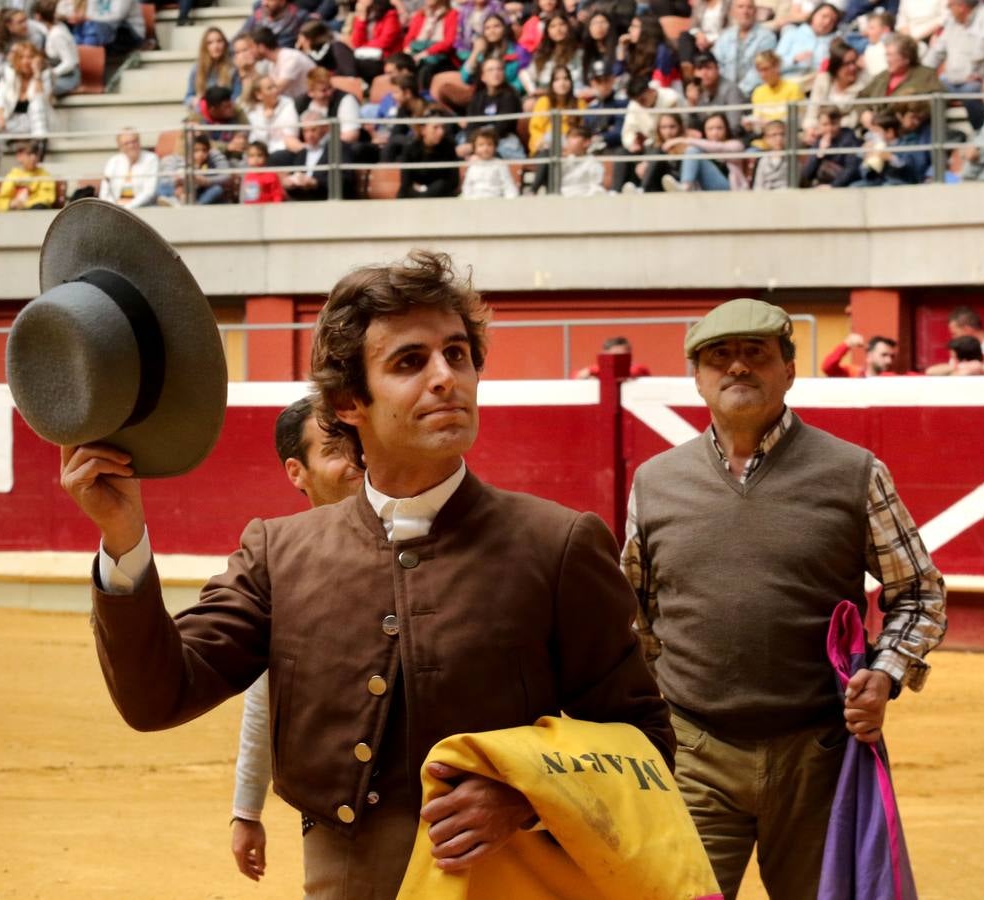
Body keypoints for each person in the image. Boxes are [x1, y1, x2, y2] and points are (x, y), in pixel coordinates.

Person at [63, 248, 674, 899]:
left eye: (458, 354)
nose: (446, 377)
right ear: (350, 401)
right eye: (411, 362)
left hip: (505, 881)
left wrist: (529, 796)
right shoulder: (280, 550)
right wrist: (122, 536)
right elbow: (159, 697)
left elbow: (641, 740)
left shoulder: (557, 544)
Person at [625, 297, 946, 899]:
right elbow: (635, 614)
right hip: (693, 754)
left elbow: (919, 593)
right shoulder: (655, 481)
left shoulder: (854, 472)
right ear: (697, 378)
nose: (738, 367)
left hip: (817, 756)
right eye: (719, 356)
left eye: (756, 354)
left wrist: (885, 673)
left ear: (789, 370)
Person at [229, 397, 365, 883]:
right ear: (297, 471)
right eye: (334, 448)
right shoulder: (282, 564)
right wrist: (246, 809)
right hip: (336, 808)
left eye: (358, 443)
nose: (356, 460)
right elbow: (264, 696)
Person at [923, 0, 984, 129]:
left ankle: (982, 132)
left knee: (971, 91)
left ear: (961, 7)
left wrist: (974, 71)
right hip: (953, 80)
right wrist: (921, 73)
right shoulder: (952, 21)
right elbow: (937, 52)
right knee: (928, 90)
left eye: (950, 5)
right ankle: (940, 137)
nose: (948, 9)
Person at [858, 32, 943, 117]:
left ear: (906, 58)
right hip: (877, 126)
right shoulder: (882, 76)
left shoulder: (926, 75)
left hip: (915, 128)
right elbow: (861, 97)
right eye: (886, 55)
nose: (887, 60)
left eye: (890, 55)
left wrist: (917, 115)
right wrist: (864, 114)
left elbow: (939, 99)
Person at [661, 112, 748, 191]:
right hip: (704, 189)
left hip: (730, 188)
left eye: (719, 128)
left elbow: (719, 147)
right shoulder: (700, 147)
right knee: (692, 151)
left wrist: (682, 140)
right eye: (710, 129)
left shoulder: (735, 144)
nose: (715, 133)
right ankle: (686, 186)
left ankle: (685, 187)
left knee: (692, 150)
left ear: (726, 129)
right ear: (705, 131)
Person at [281, 109, 356, 200]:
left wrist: (316, 183)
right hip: (304, 203)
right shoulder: (303, 153)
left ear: (325, 128)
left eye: (313, 130)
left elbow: (345, 180)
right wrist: (289, 183)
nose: (309, 135)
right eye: (305, 131)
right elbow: (296, 177)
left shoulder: (338, 147)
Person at [461, 56, 525, 160]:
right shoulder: (478, 97)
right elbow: (471, 123)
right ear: (483, 76)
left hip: (502, 140)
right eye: (490, 70)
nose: (496, 73)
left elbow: (503, 126)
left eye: (499, 69)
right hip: (478, 140)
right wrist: (473, 143)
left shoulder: (510, 96)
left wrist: (482, 143)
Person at [802, 39, 868, 135]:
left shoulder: (863, 85)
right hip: (820, 131)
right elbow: (812, 112)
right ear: (836, 66)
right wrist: (811, 129)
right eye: (847, 64)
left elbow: (854, 120)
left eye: (854, 62)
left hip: (848, 135)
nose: (853, 68)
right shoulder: (823, 80)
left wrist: (827, 127)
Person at [712, 0, 777, 97]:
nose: (745, 12)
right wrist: (726, 92)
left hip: (754, 94)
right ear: (732, 12)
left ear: (755, 12)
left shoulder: (766, 37)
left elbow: (761, 70)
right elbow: (716, 66)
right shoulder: (724, 37)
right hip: (725, 95)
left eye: (749, 7)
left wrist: (736, 93)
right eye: (740, 7)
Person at [0, 41, 53, 138]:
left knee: (36, 104)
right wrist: (0, 120)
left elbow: (43, 100)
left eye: (30, 57)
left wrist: (37, 73)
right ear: (16, 60)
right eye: (21, 57)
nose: (26, 61)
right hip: (13, 123)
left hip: (37, 124)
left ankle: (40, 142)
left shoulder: (45, 75)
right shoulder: (9, 75)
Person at [398, 106, 460, 196]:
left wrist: (426, 190)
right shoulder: (410, 149)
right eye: (435, 128)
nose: (441, 132)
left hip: (440, 197)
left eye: (442, 127)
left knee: (440, 185)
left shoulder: (449, 147)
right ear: (423, 130)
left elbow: (452, 182)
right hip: (414, 196)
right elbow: (406, 184)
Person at [404, 0, 461, 95]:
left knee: (425, 69)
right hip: (416, 53)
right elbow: (409, 38)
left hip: (441, 57)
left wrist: (426, 52)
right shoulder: (420, 15)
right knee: (401, 64)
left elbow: (449, 42)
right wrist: (408, 50)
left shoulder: (453, 14)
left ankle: (423, 99)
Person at [520, 10, 583, 95]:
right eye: (552, 26)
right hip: (547, 98)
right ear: (547, 31)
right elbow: (524, 74)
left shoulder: (579, 54)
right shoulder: (542, 56)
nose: (558, 29)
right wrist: (534, 91)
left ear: (568, 27)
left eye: (562, 24)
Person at [458, 11, 525, 92]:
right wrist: (475, 52)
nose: (492, 31)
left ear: (505, 29)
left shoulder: (517, 51)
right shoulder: (482, 53)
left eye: (496, 26)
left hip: (509, 95)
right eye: (487, 28)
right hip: (485, 95)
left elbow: (522, 81)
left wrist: (504, 93)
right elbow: (465, 78)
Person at [527, 62, 583, 156]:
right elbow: (535, 129)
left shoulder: (580, 104)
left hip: (570, 149)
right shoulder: (543, 102)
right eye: (557, 79)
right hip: (544, 147)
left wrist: (571, 146)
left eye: (566, 78)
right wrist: (543, 143)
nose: (562, 83)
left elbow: (582, 130)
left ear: (571, 82)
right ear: (552, 84)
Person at [800, 105, 862, 186]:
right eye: (825, 124)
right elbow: (807, 174)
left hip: (843, 186)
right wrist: (819, 154)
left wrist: (832, 186)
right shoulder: (819, 141)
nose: (829, 128)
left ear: (840, 122)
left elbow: (851, 169)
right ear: (819, 125)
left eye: (833, 124)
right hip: (822, 186)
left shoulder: (849, 139)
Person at [774, 2, 839, 80]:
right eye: (824, 16)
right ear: (813, 15)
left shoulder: (834, 42)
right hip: (788, 81)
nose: (827, 22)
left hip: (816, 84)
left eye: (832, 21)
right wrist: (794, 59)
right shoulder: (792, 33)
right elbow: (773, 64)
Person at [687, 51, 745, 135]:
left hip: (728, 139)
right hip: (704, 139)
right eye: (699, 69)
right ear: (694, 73)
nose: (704, 73)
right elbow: (692, 130)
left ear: (717, 69)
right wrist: (692, 105)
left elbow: (734, 127)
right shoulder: (694, 89)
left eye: (708, 68)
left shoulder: (730, 89)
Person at [100, 127, 159, 208]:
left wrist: (127, 208)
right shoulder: (113, 161)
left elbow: (149, 192)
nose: (131, 146)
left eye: (134, 141)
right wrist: (114, 207)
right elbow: (104, 193)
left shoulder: (151, 159)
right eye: (126, 143)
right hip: (116, 209)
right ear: (120, 146)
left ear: (139, 142)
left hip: (142, 209)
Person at [748, 50, 805, 131]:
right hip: (765, 137)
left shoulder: (793, 88)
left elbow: (795, 121)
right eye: (759, 70)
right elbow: (757, 123)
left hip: (788, 136)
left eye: (766, 69)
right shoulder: (757, 92)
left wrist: (769, 123)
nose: (762, 74)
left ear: (777, 67)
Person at [350, 0, 405, 83]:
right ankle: (355, 83)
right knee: (338, 47)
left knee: (354, 64)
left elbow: (385, 42)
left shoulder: (390, 14)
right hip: (365, 56)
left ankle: (355, 83)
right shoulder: (362, 16)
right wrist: (362, 18)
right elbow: (357, 42)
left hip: (384, 58)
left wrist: (364, 46)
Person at [244, 73, 300, 155]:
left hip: (282, 152)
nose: (275, 91)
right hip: (261, 154)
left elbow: (291, 134)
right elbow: (259, 140)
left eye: (275, 86)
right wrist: (266, 120)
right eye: (269, 88)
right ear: (259, 95)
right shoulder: (253, 112)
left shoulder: (288, 104)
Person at [254, 25, 316, 98]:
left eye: (251, 47)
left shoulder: (290, 58)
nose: (250, 52)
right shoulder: (271, 64)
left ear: (261, 47)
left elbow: (275, 91)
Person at [186, 27, 240, 110]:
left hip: (226, 114)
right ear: (205, 46)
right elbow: (188, 97)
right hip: (202, 113)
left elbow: (237, 98)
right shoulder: (197, 68)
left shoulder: (233, 68)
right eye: (210, 43)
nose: (216, 46)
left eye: (219, 41)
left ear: (225, 44)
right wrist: (194, 100)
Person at [0, 139, 56, 210]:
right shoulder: (12, 175)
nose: (33, 158)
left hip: (35, 214)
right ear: (19, 156)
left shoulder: (44, 175)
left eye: (36, 154)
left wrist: (25, 205)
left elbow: (46, 199)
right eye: (29, 154)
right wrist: (11, 204)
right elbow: (0, 201)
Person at [460, 124, 519, 197]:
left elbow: (508, 186)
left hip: (495, 201)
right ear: (474, 148)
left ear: (495, 146)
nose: (485, 148)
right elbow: (467, 187)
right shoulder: (472, 165)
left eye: (489, 144)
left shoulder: (500, 164)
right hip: (475, 203)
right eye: (481, 145)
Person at [172, 132, 232, 204]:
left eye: (204, 150)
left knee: (217, 189)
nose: (200, 154)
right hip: (186, 191)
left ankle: (197, 205)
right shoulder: (181, 159)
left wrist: (206, 181)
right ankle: (172, 201)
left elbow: (226, 175)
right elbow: (177, 178)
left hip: (204, 191)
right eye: (196, 150)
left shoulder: (213, 156)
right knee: (167, 186)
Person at [73, 0, 144, 54]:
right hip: (104, 30)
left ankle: (87, 54)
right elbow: (89, 13)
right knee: (81, 24)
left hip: (130, 33)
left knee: (92, 26)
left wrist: (91, 18)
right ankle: (81, 52)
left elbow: (117, 16)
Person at [556, 124, 605, 195]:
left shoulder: (593, 163)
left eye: (574, 137)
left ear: (586, 142)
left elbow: (596, 187)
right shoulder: (564, 160)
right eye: (568, 138)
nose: (569, 141)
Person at [822, 333, 902, 377]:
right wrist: (846, 344)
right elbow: (828, 367)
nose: (889, 361)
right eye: (883, 355)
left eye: (892, 357)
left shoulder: (892, 378)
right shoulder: (853, 374)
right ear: (869, 356)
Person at [573, 336, 652, 378]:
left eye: (621, 355)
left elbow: (629, 372)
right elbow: (576, 375)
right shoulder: (597, 369)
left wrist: (593, 372)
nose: (617, 359)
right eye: (613, 355)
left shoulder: (640, 368)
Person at [245, 0, 309, 50]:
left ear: (282, 1)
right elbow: (240, 38)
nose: (265, 3)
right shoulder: (257, 16)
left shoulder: (299, 17)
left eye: (270, 0)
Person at [751, 118, 788, 189]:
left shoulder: (792, 158)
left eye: (782, 134)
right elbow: (758, 185)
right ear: (766, 138)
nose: (779, 138)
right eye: (774, 135)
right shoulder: (762, 159)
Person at [862, 10, 895, 76]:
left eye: (871, 28)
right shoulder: (870, 47)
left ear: (885, 30)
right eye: (868, 28)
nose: (867, 32)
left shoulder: (887, 47)